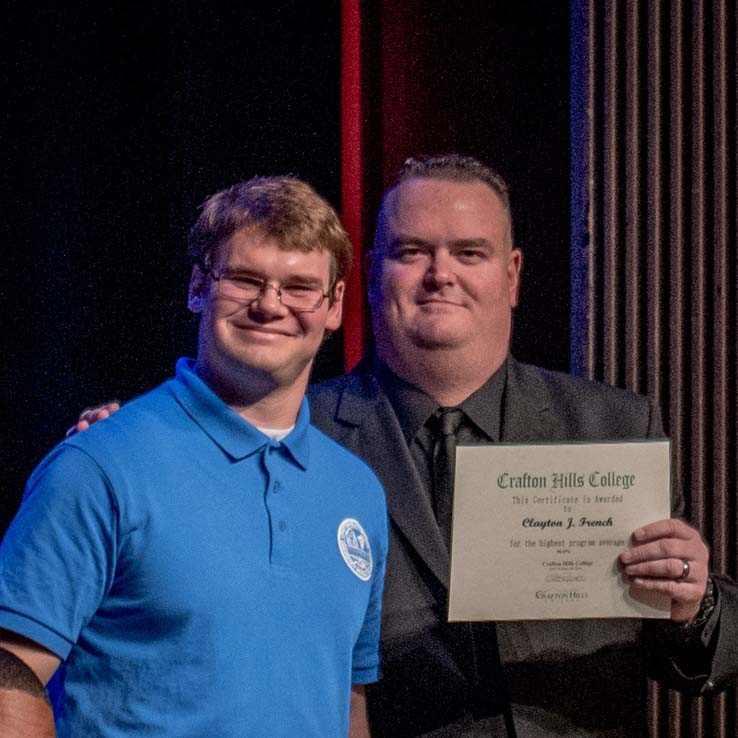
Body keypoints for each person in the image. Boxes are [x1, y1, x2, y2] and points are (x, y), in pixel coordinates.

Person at [67, 155, 738, 737]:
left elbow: (712, 655)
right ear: (368, 273)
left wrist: (693, 601)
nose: (439, 274)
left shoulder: (613, 427)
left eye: (468, 253)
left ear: (511, 274)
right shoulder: (293, 433)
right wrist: (133, 443)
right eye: (410, 251)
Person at [0, 177, 388, 738]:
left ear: (335, 307)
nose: (270, 305)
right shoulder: (99, 467)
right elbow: (11, 671)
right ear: (198, 286)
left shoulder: (357, 492)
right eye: (245, 279)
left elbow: (346, 702)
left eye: (300, 286)